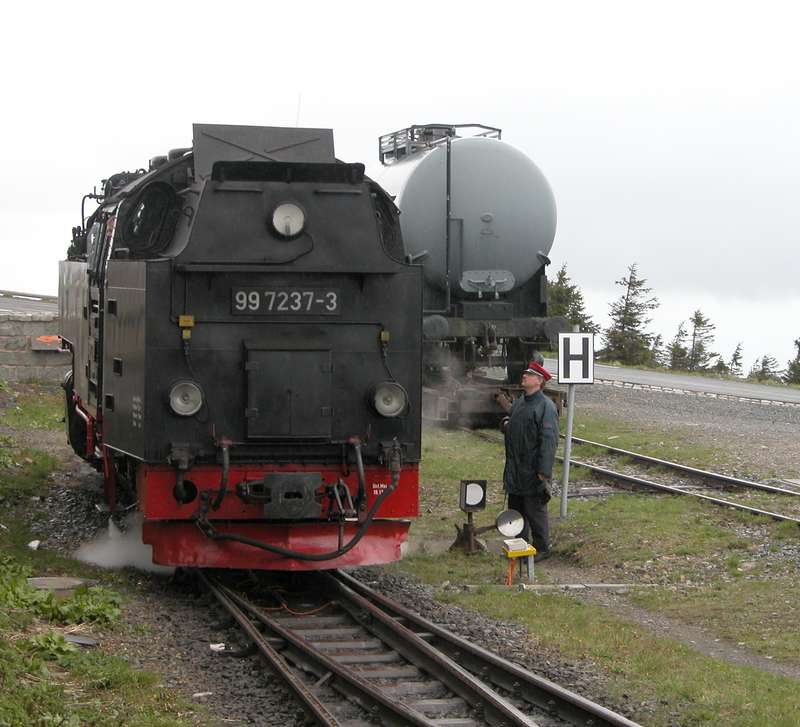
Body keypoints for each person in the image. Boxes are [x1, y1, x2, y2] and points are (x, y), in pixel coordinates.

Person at [498, 360, 559, 561]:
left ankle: (542, 548)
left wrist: (543, 471)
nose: (524, 376)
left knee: (535, 510)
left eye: (529, 374)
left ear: (539, 380)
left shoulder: (546, 406)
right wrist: (506, 424)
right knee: (516, 511)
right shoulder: (519, 403)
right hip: (515, 468)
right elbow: (513, 426)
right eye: (525, 373)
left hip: (533, 470)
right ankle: (520, 546)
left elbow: (548, 441)